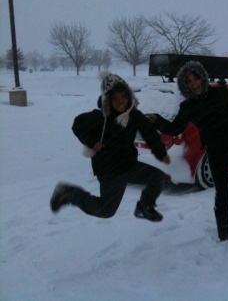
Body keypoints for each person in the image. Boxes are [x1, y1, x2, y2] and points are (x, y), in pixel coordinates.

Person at [148, 61, 228, 241]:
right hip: (216, 152)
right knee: (222, 193)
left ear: (202, 78)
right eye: (189, 81)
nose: (194, 83)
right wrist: (157, 120)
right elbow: (174, 128)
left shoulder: (221, 93)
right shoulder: (188, 107)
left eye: (196, 78)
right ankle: (224, 234)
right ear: (184, 86)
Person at [50, 71, 170, 222]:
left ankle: (144, 207)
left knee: (157, 177)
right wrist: (93, 143)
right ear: (107, 100)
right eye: (115, 98)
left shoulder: (134, 116)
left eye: (123, 96)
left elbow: (150, 133)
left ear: (129, 97)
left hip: (129, 165)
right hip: (109, 169)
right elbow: (77, 125)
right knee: (105, 211)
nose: (120, 101)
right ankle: (69, 193)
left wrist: (161, 152)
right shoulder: (100, 117)